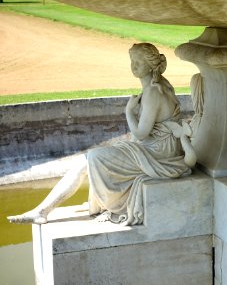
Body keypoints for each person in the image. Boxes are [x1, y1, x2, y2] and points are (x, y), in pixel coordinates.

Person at [8, 43, 196, 226]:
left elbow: (140, 134)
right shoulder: (161, 84)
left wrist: (129, 111)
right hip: (159, 148)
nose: (133, 66)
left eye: (138, 62)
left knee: (93, 158)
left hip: (157, 154)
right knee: (86, 161)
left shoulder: (153, 92)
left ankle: (45, 211)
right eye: (131, 61)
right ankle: (42, 211)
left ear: (150, 64)